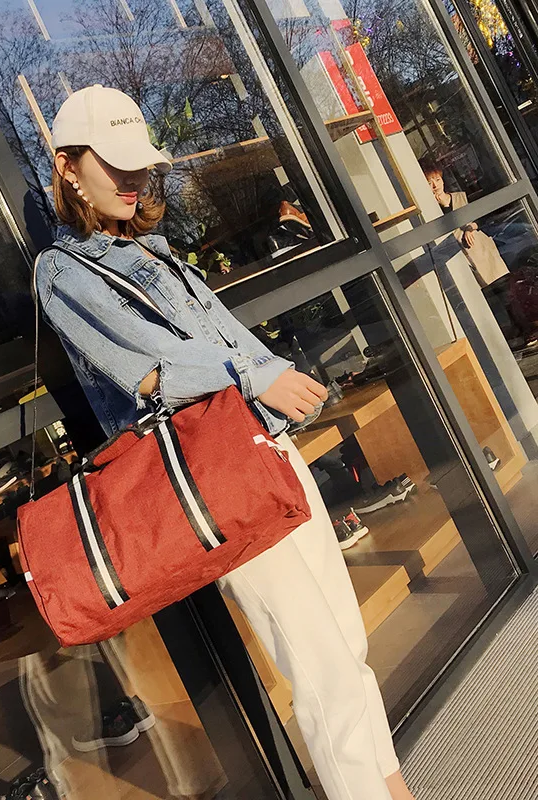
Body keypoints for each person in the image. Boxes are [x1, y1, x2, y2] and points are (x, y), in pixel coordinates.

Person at [34, 84, 416, 800]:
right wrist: (259, 374)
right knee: (320, 664)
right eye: (114, 163)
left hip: (262, 443)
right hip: (215, 476)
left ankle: (393, 788)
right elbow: (149, 369)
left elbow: (224, 338)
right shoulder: (63, 272)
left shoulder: (151, 249)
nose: (132, 178)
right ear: (67, 167)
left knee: (346, 642)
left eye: (138, 163)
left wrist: (268, 381)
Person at [421, 159, 509, 288]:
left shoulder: (461, 197)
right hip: (462, 266)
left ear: (443, 180)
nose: (435, 186)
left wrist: (470, 227)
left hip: (484, 257)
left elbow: (483, 218)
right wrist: (443, 206)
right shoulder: (430, 211)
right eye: (429, 183)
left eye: (438, 180)